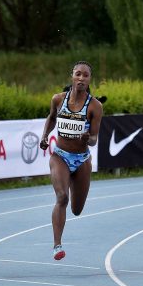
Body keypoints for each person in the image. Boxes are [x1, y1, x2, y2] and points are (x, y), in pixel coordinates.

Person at [39, 61, 104, 260]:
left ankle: (72, 212)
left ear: (90, 79)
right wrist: (44, 136)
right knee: (62, 198)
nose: (81, 78)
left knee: (76, 209)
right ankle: (57, 245)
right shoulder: (58, 99)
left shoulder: (95, 106)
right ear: (72, 76)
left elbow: (94, 139)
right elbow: (52, 118)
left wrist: (87, 138)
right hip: (60, 156)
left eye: (85, 75)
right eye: (78, 74)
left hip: (82, 159)